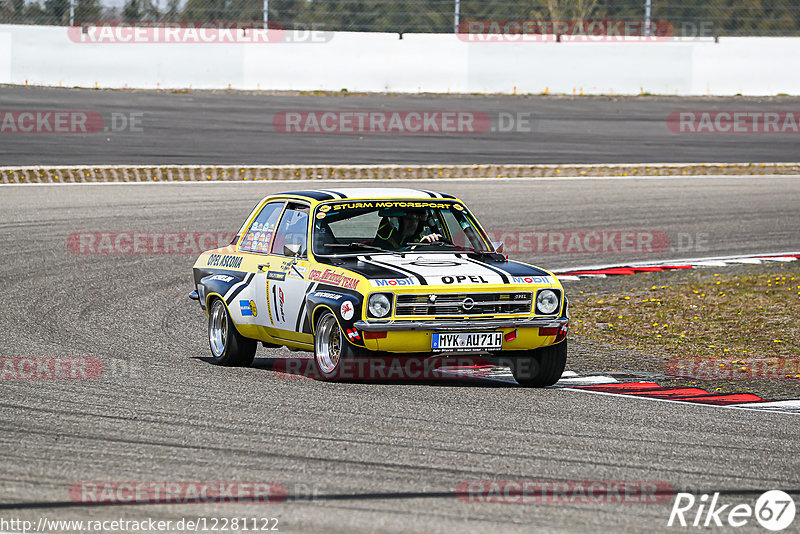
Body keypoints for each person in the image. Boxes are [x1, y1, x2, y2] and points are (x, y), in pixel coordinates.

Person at [374, 210, 442, 249]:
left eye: (416, 219)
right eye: (409, 218)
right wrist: (417, 247)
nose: (414, 223)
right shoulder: (385, 236)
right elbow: (389, 252)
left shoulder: (418, 238)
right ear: (397, 221)